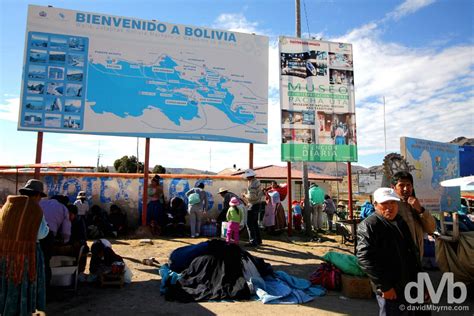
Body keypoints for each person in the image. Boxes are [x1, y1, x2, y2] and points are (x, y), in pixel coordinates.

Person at [357, 188, 423, 316]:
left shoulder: (400, 221)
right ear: (375, 205)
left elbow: (412, 253)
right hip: (390, 287)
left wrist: (422, 282)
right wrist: (384, 286)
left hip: (407, 284)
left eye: (392, 202)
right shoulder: (369, 225)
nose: (389, 207)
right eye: (384, 203)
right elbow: (364, 258)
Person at [0, 179, 49, 316]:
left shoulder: (9, 205)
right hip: (26, 255)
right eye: (40, 197)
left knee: (7, 284)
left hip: (5, 254)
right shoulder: (34, 209)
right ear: (37, 195)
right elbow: (41, 234)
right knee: (24, 284)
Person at [391, 171, 436, 259]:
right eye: (401, 185)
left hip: (417, 258)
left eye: (408, 185)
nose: (405, 189)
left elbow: (431, 229)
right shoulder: (391, 207)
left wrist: (420, 210)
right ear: (393, 188)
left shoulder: (416, 205)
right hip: (400, 259)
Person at [40, 194, 72, 289]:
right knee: (45, 262)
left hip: (33, 234)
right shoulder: (63, 208)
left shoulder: (41, 202)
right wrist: (64, 241)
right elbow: (66, 232)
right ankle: (45, 289)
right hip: (48, 236)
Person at [242, 169, 264, 247]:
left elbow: (252, 197)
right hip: (258, 204)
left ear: (249, 176)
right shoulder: (257, 182)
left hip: (253, 204)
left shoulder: (252, 185)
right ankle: (258, 240)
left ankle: (253, 241)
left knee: (249, 224)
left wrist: (245, 195)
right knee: (254, 223)